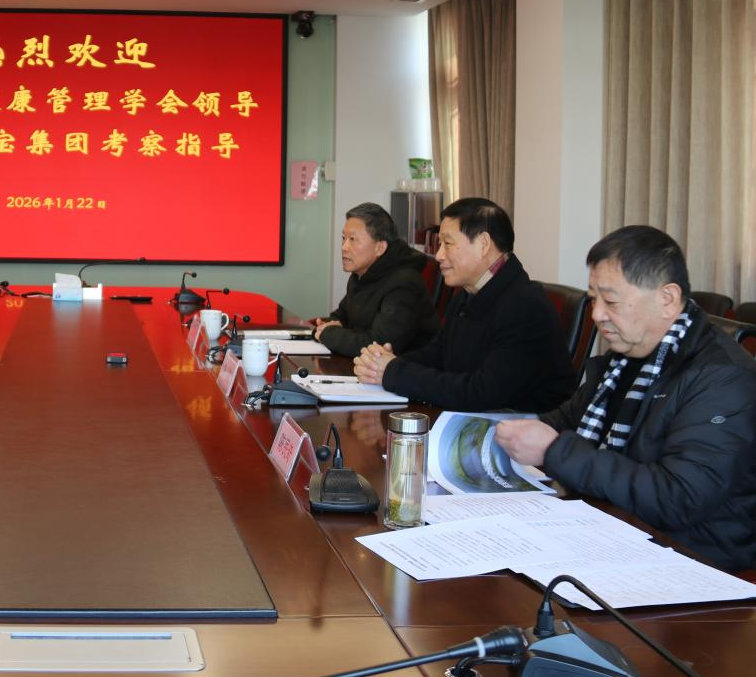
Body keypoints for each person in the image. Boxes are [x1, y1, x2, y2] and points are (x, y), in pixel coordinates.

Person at [495, 226, 756, 571]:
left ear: (667, 299)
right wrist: (502, 433)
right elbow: (566, 419)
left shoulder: (723, 378)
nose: (597, 314)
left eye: (611, 301)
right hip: (614, 526)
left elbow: (679, 497)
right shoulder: (626, 358)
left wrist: (555, 450)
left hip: (692, 558)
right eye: (593, 299)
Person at [353, 197, 575, 412]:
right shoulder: (468, 293)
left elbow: (481, 393)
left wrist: (394, 371)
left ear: (483, 244)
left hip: (519, 426)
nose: (438, 255)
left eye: (447, 244)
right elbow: (438, 355)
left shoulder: (525, 306)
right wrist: (381, 364)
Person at [313, 202, 439, 357]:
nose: (344, 247)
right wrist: (325, 326)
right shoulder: (361, 273)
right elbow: (342, 316)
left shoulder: (405, 284)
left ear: (380, 248)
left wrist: (328, 334)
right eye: (343, 238)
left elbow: (379, 346)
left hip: (405, 369)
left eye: (353, 239)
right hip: (363, 367)